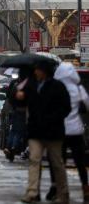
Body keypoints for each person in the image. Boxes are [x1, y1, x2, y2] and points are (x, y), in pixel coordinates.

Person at [21, 59, 71, 204]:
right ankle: (31, 192)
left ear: (45, 71)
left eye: (38, 69)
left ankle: (63, 193)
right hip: (36, 131)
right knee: (34, 160)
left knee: (57, 163)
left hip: (53, 131)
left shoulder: (57, 86)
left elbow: (65, 108)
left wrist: (52, 118)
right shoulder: (31, 85)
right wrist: (19, 97)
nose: (35, 72)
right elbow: (20, 101)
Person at [47, 63, 89, 202]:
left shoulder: (56, 88)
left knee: (58, 161)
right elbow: (87, 105)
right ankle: (85, 186)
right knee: (80, 162)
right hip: (76, 130)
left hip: (60, 130)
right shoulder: (78, 88)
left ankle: (58, 188)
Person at [4, 67, 31, 161]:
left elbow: (9, 97)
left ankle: (8, 146)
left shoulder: (14, 84)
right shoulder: (27, 85)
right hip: (23, 111)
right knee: (19, 131)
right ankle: (13, 147)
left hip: (14, 110)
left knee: (13, 130)